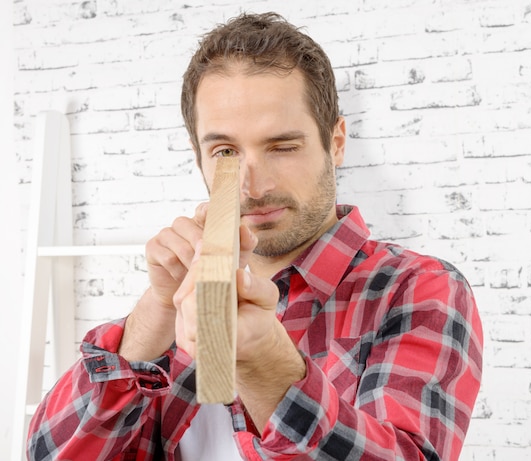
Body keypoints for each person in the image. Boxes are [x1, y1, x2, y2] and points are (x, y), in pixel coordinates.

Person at [27, 12, 483, 461]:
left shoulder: (418, 289)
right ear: (198, 155)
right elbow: (46, 454)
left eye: (282, 147)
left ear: (336, 141)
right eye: (225, 151)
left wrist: (266, 366)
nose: (253, 185)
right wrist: (153, 316)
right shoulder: (185, 301)